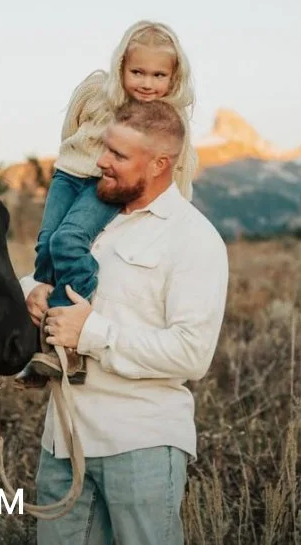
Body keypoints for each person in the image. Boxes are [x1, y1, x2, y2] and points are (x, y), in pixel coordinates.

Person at [20, 99, 228, 545]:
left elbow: (192, 353)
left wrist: (92, 333)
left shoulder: (194, 239)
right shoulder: (91, 219)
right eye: (104, 149)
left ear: (159, 164)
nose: (100, 161)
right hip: (63, 445)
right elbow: (46, 277)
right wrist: (31, 292)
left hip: (141, 447)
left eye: (117, 155)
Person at [15, 20, 198, 385]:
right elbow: (71, 129)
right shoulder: (97, 90)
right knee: (47, 245)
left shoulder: (162, 118)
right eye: (137, 72)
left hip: (105, 184)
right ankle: (43, 343)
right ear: (120, 68)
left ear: (174, 79)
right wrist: (73, 162)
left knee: (68, 240)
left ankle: (68, 345)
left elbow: (179, 160)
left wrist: (177, 208)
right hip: (70, 174)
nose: (147, 83)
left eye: (159, 75)